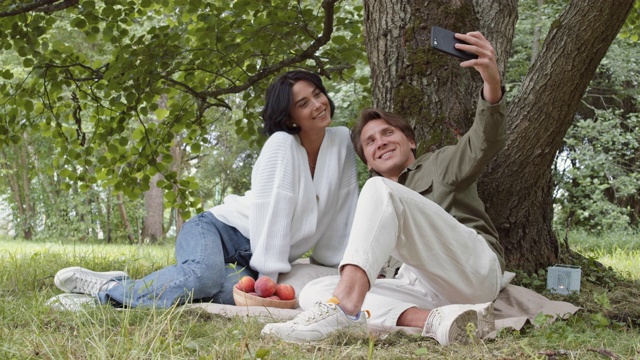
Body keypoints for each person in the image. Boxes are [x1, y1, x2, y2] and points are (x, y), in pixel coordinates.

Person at [261, 31, 507, 346]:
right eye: (370, 142)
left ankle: (345, 309)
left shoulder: (440, 164)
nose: (381, 142)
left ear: (411, 141)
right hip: (420, 292)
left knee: (379, 194)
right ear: (369, 162)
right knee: (315, 291)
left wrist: (491, 81)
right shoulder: (375, 204)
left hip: (470, 272)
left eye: (388, 132)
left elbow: (485, 140)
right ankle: (436, 321)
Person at [51, 70, 359, 308]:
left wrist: (338, 266)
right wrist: (269, 280)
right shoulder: (282, 145)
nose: (318, 105)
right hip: (217, 230)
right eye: (303, 103)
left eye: (317, 94)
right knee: (204, 277)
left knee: (226, 294)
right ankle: (106, 294)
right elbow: (273, 212)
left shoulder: (341, 141)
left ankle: (128, 283)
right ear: (289, 117)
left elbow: (343, 207)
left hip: (254, 257)